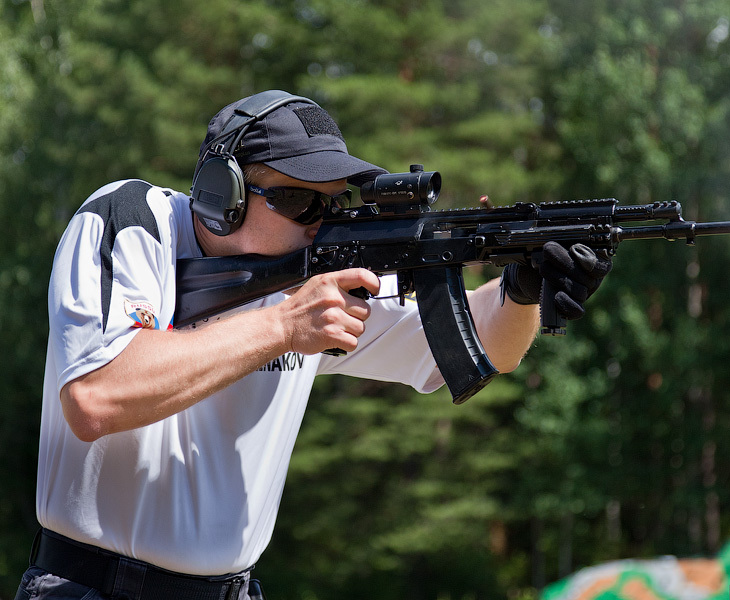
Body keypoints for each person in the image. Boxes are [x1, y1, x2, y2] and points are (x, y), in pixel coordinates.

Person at [15, 90, 611, 600]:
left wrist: (522, 285)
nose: (318, 223)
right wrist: (284, 326)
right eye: (300, 201)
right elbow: (95, 398)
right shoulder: (134, 221)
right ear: (224, 193)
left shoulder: (308, 276)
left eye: (332, 203)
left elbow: (484, 344)